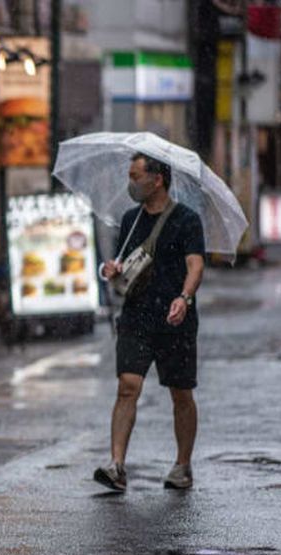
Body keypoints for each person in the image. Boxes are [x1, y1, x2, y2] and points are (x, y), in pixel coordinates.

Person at [95, 152, 205, 492]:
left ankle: (182, 466)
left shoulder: (187, 220)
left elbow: (196, 265)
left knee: (180, 393)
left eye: (135, 175)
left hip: (175, 319)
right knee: (128, 385)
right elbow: (122, 267)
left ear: (157, 180)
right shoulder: (130, 219)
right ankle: (116, 465)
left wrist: (184, 298)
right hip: (136, 315)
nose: (131, 182)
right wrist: (109, 270)